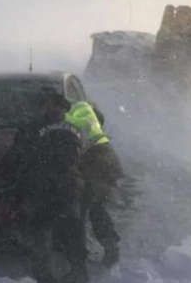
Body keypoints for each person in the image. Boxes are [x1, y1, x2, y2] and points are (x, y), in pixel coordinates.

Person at [9, 87, 89, 283]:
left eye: (45, 104)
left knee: (41, 234)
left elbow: (16, 159)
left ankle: (44, 276)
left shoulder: (30, 129)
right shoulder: (76, 131)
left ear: (47, 106)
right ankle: (79, 274)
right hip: (69, 188)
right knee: (73, 233)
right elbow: (82, 159)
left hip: (41, 189)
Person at [65, 101, 124, 267]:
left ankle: (81, 256)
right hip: (105, 159)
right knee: (96, 207)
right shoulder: (85, 110)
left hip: (95, 163)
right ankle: (109, 247)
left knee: (83, 209)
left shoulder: (69, 117)